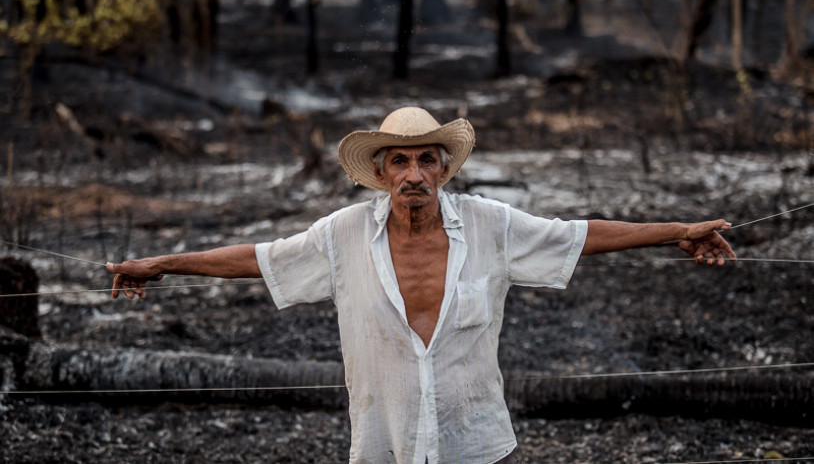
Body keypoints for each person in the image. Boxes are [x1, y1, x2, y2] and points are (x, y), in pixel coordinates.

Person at [107, 107, 736, 464]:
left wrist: (678, 230)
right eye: (400, 161)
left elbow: (579, 235)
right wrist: (163, 263)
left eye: (426, 160)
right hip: (384, 443)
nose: (414, 173)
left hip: (477, 442)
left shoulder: (491, 225)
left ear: (444, 168)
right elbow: (260, 259)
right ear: (381, 174)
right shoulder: (343, 234)